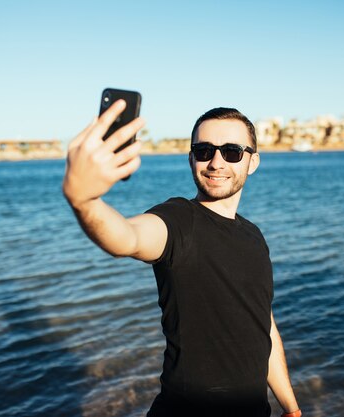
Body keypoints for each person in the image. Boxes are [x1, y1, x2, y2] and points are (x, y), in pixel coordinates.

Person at [63, 99, 301, 417]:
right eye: (204, 151)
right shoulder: (178, 220)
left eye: (231, 151)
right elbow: (127, 238)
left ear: (252, 162)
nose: (216, 162)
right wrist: (84, 200)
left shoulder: (254, 237)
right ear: (191, 159)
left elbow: (263, 325)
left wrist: (291, 407)